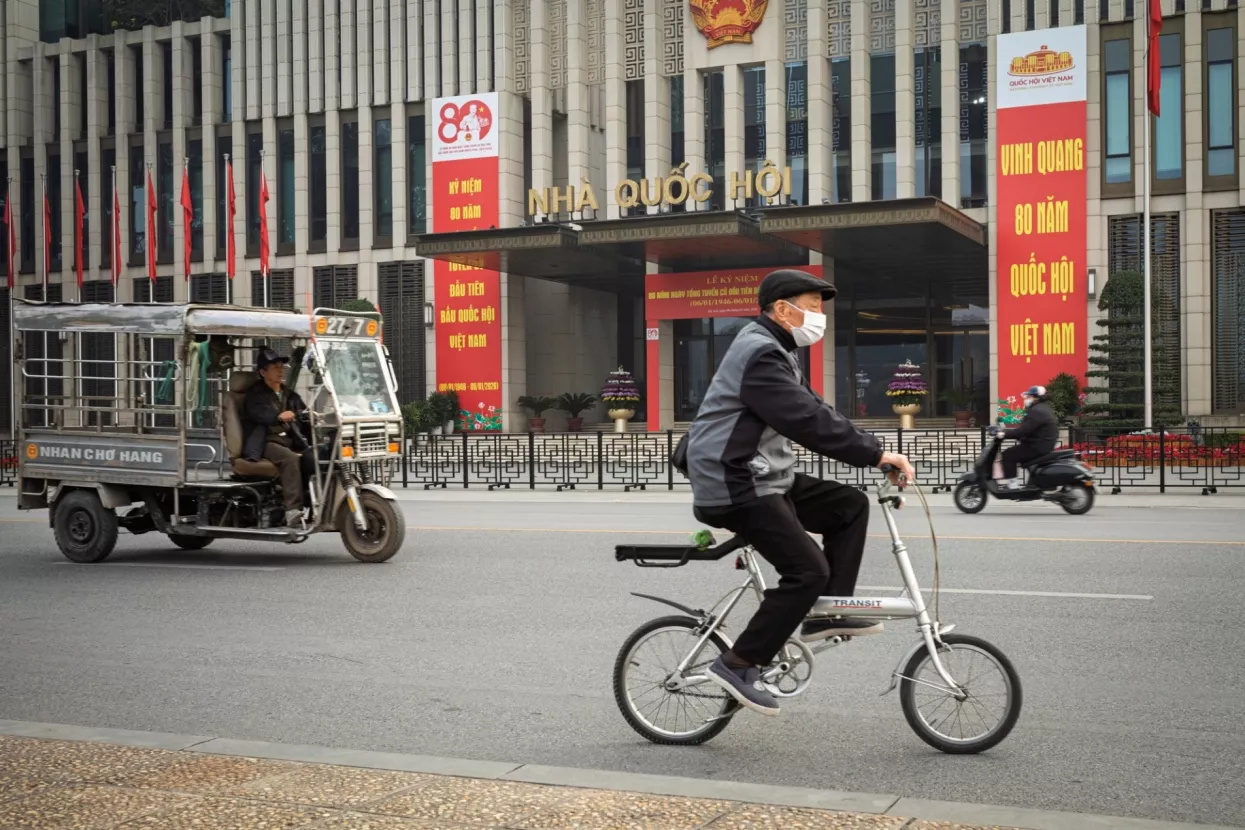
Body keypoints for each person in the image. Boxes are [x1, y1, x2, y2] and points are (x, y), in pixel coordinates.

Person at [682, 269, 915, 717]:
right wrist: (876, 454)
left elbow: (817, 410)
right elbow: (805, 421)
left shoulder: (777, 350)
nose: (820, 315)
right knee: (807, 570)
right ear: (783, 309)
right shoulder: (759, 353)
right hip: (733, 481)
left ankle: (830, 611)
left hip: (763, 475)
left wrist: (876, 451)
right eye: (813, 305)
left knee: (848, 506)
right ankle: (738, 663)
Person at [242, 348, 316, 528]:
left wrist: (312, 417)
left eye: (282, 366)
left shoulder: (288, 393)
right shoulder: (255, 394)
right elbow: (261, 414)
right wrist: (279, 415)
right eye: (275, 367)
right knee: (290, 459)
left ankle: (314, 502)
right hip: (265, 442)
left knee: (314, 456)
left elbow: (302, 413)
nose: (281, 370)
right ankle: (293, 511)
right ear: (262, 372)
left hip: (290, 440)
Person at [996, 385, 1059, 489]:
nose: (1026, 399)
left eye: (1029, 396)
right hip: (1041, 444)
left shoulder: (1037, 411)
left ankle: (1012, 485)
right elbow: (1029, 429)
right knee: (1018, 454)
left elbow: (1024, 430)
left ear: (1036, 398)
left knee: (1008, 454)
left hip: (1037, 446)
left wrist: (1004, 434)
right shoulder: (1042, 409)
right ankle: (1032, 482)